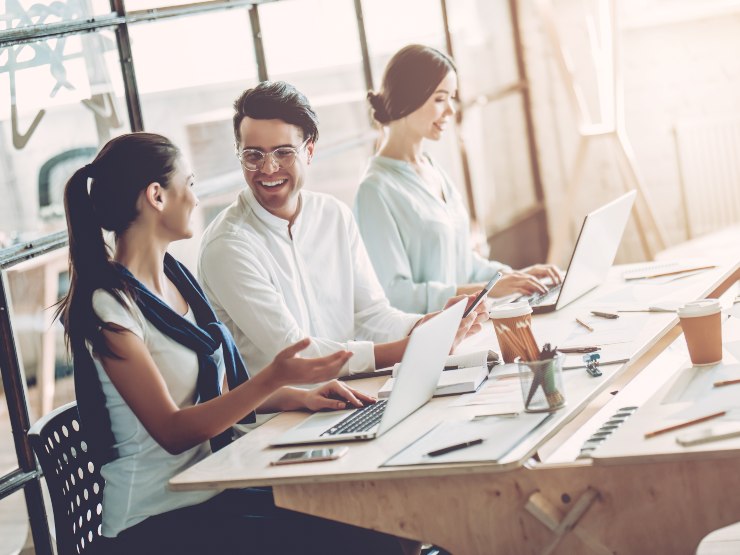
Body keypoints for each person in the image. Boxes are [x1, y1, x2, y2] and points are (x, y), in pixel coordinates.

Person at [56, 132, 416, 554]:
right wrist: (273, 378)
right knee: (359, 535)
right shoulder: (109, 309)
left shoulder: (176, 280)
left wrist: (296, 397)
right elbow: (173, 430)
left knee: (374, 520)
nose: (193, 198)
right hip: (157, 521)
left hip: (213, 491)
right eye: (187, 184)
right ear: (156, 195)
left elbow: (216, 394)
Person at [198, 81, 487, 377]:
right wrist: (416, 346)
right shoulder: (227, 246)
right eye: (253, 155)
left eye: (283, 152)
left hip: (352, 391)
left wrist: (426, 326)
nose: (269, 169)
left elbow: (371, 315)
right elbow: (294, 353)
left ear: (309, 151)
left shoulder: (334, 215)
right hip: (282, 417)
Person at [354, 44, 563, 314]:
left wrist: (514, 278)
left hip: (465, 325)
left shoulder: (431, 168)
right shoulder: (375, 190)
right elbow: (395, 295)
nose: (451, 110)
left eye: (451, 98)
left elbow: (462, 263)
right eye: (441, 98)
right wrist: (485, 290)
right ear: (408, 98)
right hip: (428, 341)